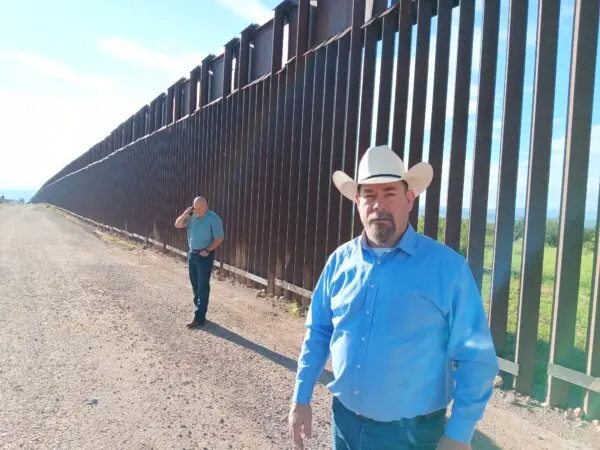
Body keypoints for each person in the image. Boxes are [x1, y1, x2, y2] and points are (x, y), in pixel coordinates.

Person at [288, 145, 498, 450]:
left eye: (390, 193)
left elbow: (476, 358)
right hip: (344, 424)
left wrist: (459, 434)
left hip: (412, 436)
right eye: (369, 195)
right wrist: (301, 396)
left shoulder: (447, 269)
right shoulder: (339, 262)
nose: (379, 205)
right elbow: (318, 332)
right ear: (357, 201)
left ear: (409, 198)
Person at [175, 196, 224, 328]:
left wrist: (208, 250)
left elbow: (219, 238)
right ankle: (199, 309)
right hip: (192, 254)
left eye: (199, 209)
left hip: (205, 255)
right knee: (195, 283)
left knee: (202, 285)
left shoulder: (213, 218)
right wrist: (185, 214)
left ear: (205, 206)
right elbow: (178, 224)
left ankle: (199, 317)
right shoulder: (192, 216)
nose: (196, 211)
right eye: (194, 208)